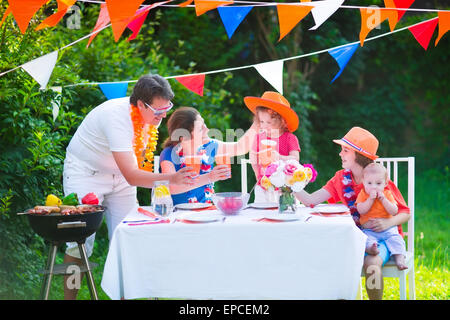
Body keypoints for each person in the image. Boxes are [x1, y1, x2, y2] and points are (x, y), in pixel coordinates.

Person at [62, 74, 193, 299]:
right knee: (78, 243)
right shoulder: (116, 118)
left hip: (121, 177)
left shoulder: (149, 118)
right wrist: (171, 179)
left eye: (167, 108)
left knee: (126, 238)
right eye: (158, 110)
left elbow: (132, 169)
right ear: (141, 104)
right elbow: (134, 176)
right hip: (86, 174)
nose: (163, 116)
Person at [294, 126, 410, 300]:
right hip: (354, 236)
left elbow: (405, 213)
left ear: (360, 155)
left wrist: (387, 223)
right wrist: (289, 182)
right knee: (326, 256)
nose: (340, 154)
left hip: (383, 236)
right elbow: (310, 200)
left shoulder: (378, 180)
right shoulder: (341, 179)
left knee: (371, 265)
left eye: (345, 150)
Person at [160, 107, 258, 204]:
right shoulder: (169, 154)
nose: (207, 129)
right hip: (176, 214)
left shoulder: (209, 146)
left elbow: (241, 147)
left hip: (205, 211)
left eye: (204, 124)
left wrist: (258, 122)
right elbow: (171, 187)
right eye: (200, 129)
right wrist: (210, 177)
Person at [244, 91, 301, 203]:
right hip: (264, 184)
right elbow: (253, 156)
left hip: (285, 186)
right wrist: (257, 173)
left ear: (282, 121)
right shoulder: (259, 137)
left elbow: (295, 158)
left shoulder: (290, 138)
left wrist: (280, 157)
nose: (264, 126)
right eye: (261, 121)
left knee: (286, 213)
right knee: (261, 211)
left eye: (269, 122)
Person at [356, 163, 408, 270]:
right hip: (369, 231)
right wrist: (370, 200)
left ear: (385, 183)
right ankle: (371, 249)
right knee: (364, 240)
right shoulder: (363, 194)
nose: (373, 186)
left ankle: (400, 259)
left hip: (388, 230)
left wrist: (383, 200)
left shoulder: (387, 194)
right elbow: (361, 210)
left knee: (397, 240)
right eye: (369, 183)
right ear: (363, 182)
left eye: (378, 183)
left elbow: (394, 211)